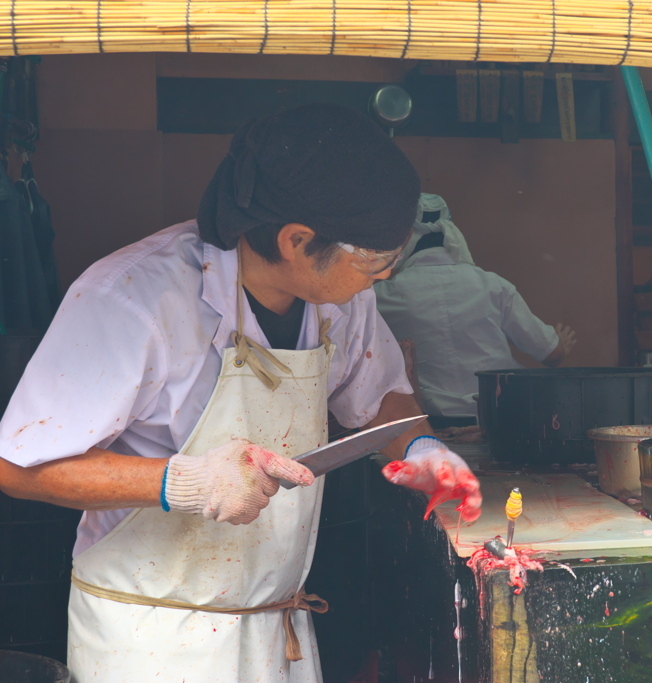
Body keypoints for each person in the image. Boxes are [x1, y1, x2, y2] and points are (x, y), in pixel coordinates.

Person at [0, 104, 481, 682]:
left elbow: (379, 398)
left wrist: (421, 447)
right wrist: (185, 483)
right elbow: (16, 464)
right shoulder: (131, 297)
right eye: (375, 261)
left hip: (275, 628)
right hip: (153, 640)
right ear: (297, 240)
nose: (382, 276)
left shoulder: (343, 300)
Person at [375, 193, 576, 427]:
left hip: (429, 427)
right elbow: (551, 354)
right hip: (499, 421)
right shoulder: (492, 286)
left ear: (403, 236)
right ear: (451, 230)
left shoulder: (382, 296)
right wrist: (560, 341)